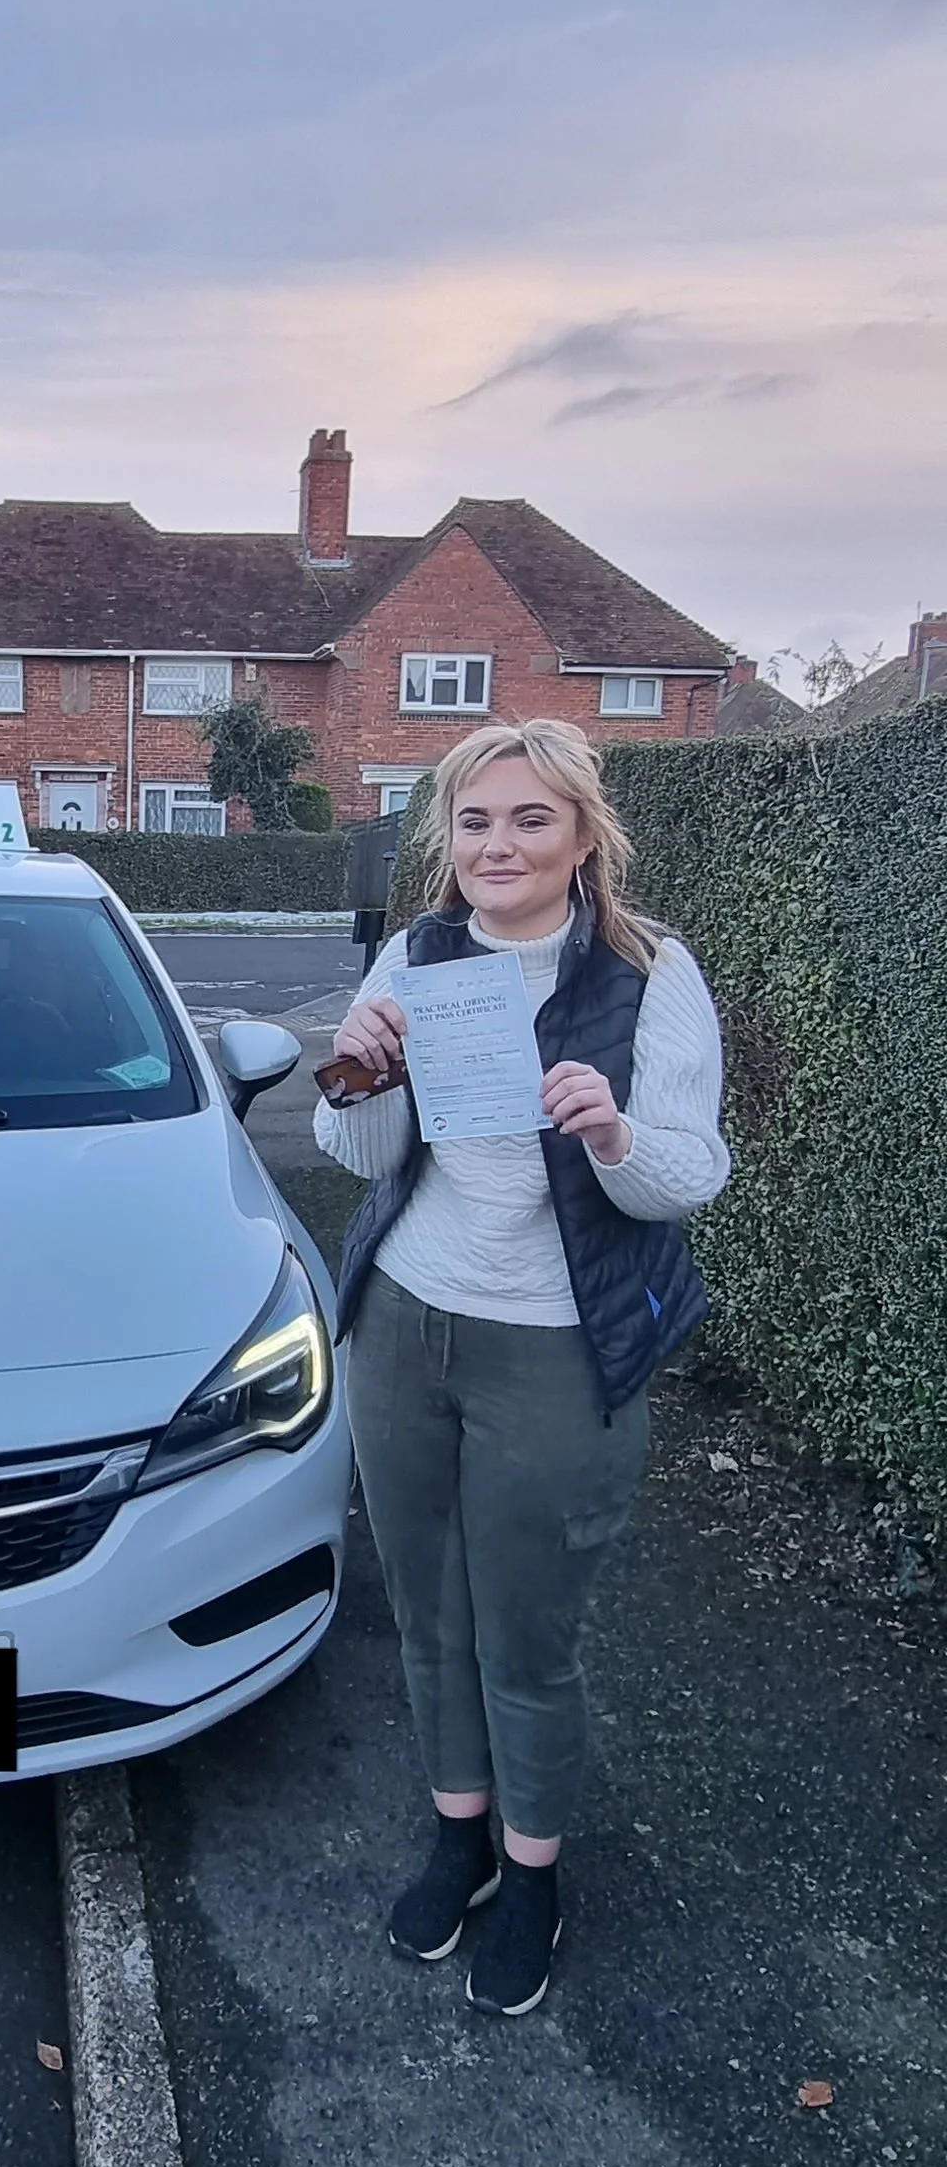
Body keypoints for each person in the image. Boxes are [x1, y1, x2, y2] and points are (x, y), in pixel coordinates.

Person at [318, 718, 728, 2017]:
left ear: (583, 836)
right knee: (430, 1615)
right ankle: (459, 1837)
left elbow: (688, 1173)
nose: (499, 844)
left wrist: (612, 1133)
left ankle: (535, 1873)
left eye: (530, 819)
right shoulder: (414, 953)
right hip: (406, 1322)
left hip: (555, 1349)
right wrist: (361, 1077)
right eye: (477, 822)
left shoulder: (650, 973)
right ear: (451, 838)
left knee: (526, 1636)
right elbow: (364, 1156)